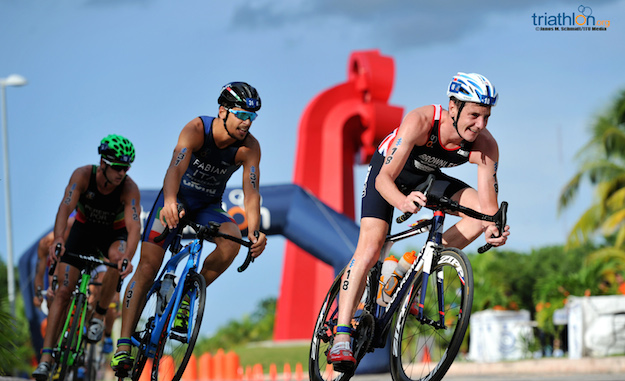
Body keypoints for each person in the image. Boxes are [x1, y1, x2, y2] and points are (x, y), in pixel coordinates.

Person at [327, 72, 511, 371]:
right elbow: (385, 178)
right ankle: (342, 334)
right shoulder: (422, 121)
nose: (480, 125)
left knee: (478, 216)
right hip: (387, 176)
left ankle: (418, 263)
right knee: (371, 248)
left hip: (426, 181)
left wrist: (493, 228)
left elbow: (488, 209)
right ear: (453, 107)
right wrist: (401, 201)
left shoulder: (486, 145)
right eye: (474, 115)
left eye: (486, 117)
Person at [111, 82, 268, 374]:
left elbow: (251, 192)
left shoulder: (249, 147)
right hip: (176, 198)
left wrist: (255, 230)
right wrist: (170, 201)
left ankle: (187, 299)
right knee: (147, 267)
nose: (247, 122)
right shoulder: (196, 129)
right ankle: (123, 344)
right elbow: (175, 168)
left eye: (252, 117)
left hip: (207, 207)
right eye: (242, 114)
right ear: (223, 111)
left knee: (232, 240)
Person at [32, 135, 141, 380]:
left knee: (117, 257)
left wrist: (128, 257)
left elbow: (134, 227)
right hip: (83, 232)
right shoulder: (82, 175)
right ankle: (47, 358)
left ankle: (100, 315)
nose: (121, 173)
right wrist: (59, 238)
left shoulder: (129, 188)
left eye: (126, 168)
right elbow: (65, 207)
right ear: (103, 163)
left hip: (113, 235)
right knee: (62, 291)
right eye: (117, 167)